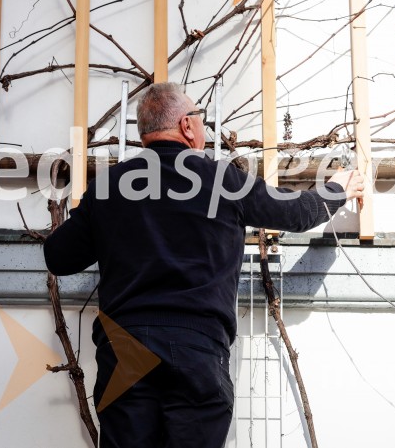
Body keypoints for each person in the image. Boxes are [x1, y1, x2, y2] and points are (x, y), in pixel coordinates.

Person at [44, 82, 364, 448]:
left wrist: (99, 217)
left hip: (125, 350)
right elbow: (296, 213)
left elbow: (58, 256)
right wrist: (337, 187)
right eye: (199, 118)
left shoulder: (110, 186)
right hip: (196, 351)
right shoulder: (222, 180)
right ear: (186, 126)